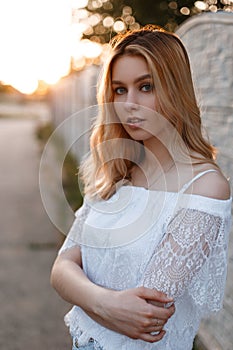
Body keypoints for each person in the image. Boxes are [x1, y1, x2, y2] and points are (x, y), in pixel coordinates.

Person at [50, 25, 232, 350]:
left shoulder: (204, 187)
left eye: (145, 87)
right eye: (119, 90)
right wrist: (105, 303)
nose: (129, 104)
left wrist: (86, 295)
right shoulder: (117, 171)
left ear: (176, 90)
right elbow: (61, 267)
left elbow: (146, 312)